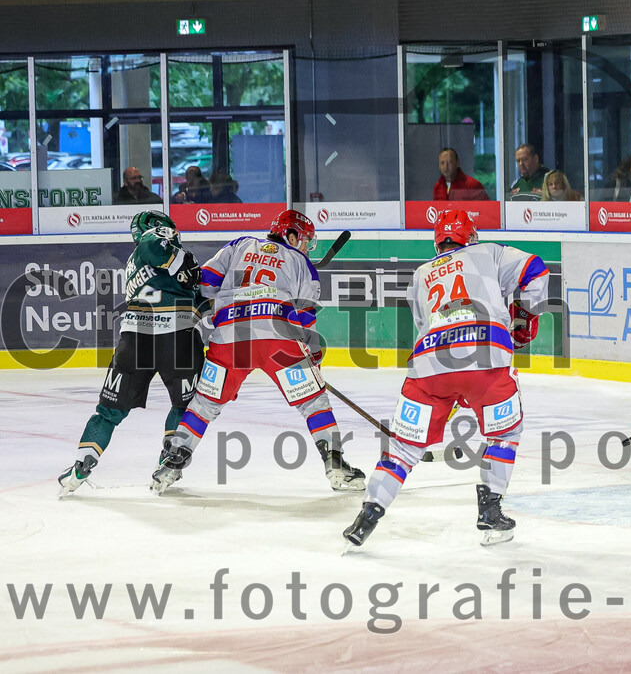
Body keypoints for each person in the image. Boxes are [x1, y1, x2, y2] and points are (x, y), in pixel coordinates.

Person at [343, 209, 550, 548]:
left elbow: (425, 324)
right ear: (472, 237)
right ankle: (490, 511)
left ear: (437, 243)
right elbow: (535, 269)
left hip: (429, 363)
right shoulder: (489, 252)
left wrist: (452, 387)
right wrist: (524, 317)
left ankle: (367, 516)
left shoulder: (421, 274)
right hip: (486, 356)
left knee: (403, 448)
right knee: (505, 433)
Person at [150, 210, 366, 494]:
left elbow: (206, 283)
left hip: (230, 335)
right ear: (291, 236)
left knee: (204, 404)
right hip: (278, 334)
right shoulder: (301, 263)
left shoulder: (239, 244)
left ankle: (170, 464)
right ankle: (335, 465)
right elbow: (305, 317)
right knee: (313, 402)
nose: (306, 248)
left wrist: (222, 305)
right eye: (305, 241)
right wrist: (311, 362)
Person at [58, 211, 205, 497]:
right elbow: (159, 249)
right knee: (185, 406)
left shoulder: (133, 263)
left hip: (135, 339)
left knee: (108, 412)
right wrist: (183, 261)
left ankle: (81, 466)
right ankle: (170, 461)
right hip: (177, 335)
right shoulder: (155, 241)